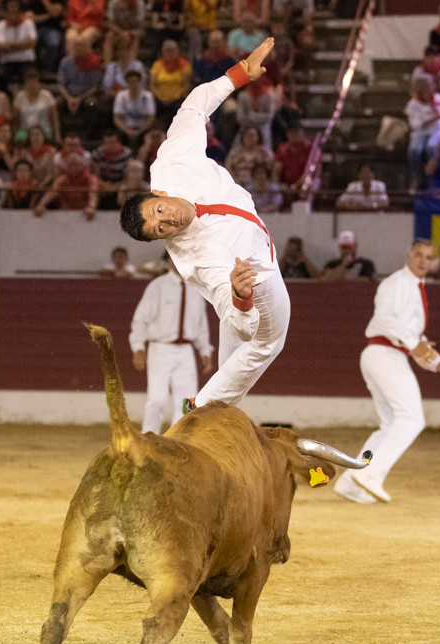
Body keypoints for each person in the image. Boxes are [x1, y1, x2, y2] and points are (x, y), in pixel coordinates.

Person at [119, 38, 287, 410]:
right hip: (256, 275)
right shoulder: (194, 253)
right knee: (267, 341)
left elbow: (195, 106)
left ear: (155, 194)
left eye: (159, 211)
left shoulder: (171, 162)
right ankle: (203, 406)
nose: (169, 220)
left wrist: (238, 75)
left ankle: (205, 414)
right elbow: (240, 321)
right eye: (161, 230)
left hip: (251, 255)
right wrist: (242, 297)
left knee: (231, 363)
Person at [332, 239, 440, 504]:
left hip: (386, 355)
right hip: (385, 353)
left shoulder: (413, 287)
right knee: (412, 419)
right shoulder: (396, 284)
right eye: (419, 255)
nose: (424, 261)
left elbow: (416, 337)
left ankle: (350, 482)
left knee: (391, 424)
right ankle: (372, 475)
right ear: (407, 255)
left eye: (428, 257)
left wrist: (438, 362)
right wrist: (413, 345)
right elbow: (385, 321)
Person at [129, 263, 214, 433]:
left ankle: (179, 440)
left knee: (187, 402)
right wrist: (138, 347)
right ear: (169, 261)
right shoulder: (158, 286)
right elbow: (141, 320)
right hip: (160, 348)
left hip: (185, 350)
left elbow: (201, 324)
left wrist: (204, 350)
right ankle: (149, 438)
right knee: (157, 399)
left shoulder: (196, 288)